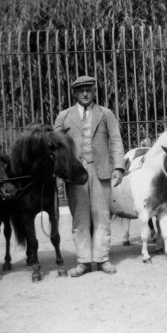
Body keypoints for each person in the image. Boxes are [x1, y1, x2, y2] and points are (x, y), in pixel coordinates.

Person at [54, 75, 125, 276]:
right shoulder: (64, 116)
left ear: (94, 92)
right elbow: (54, 145)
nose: (85, 94)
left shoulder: (105, 114)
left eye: (89, 90)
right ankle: (83, 261)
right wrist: (61, 171)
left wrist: (118, 168)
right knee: (80, 217)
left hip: (101, 171)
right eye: (81, 91)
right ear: (75, 93)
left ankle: (102, 259)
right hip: (75, 174)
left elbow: (116, 141)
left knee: (102, 215)